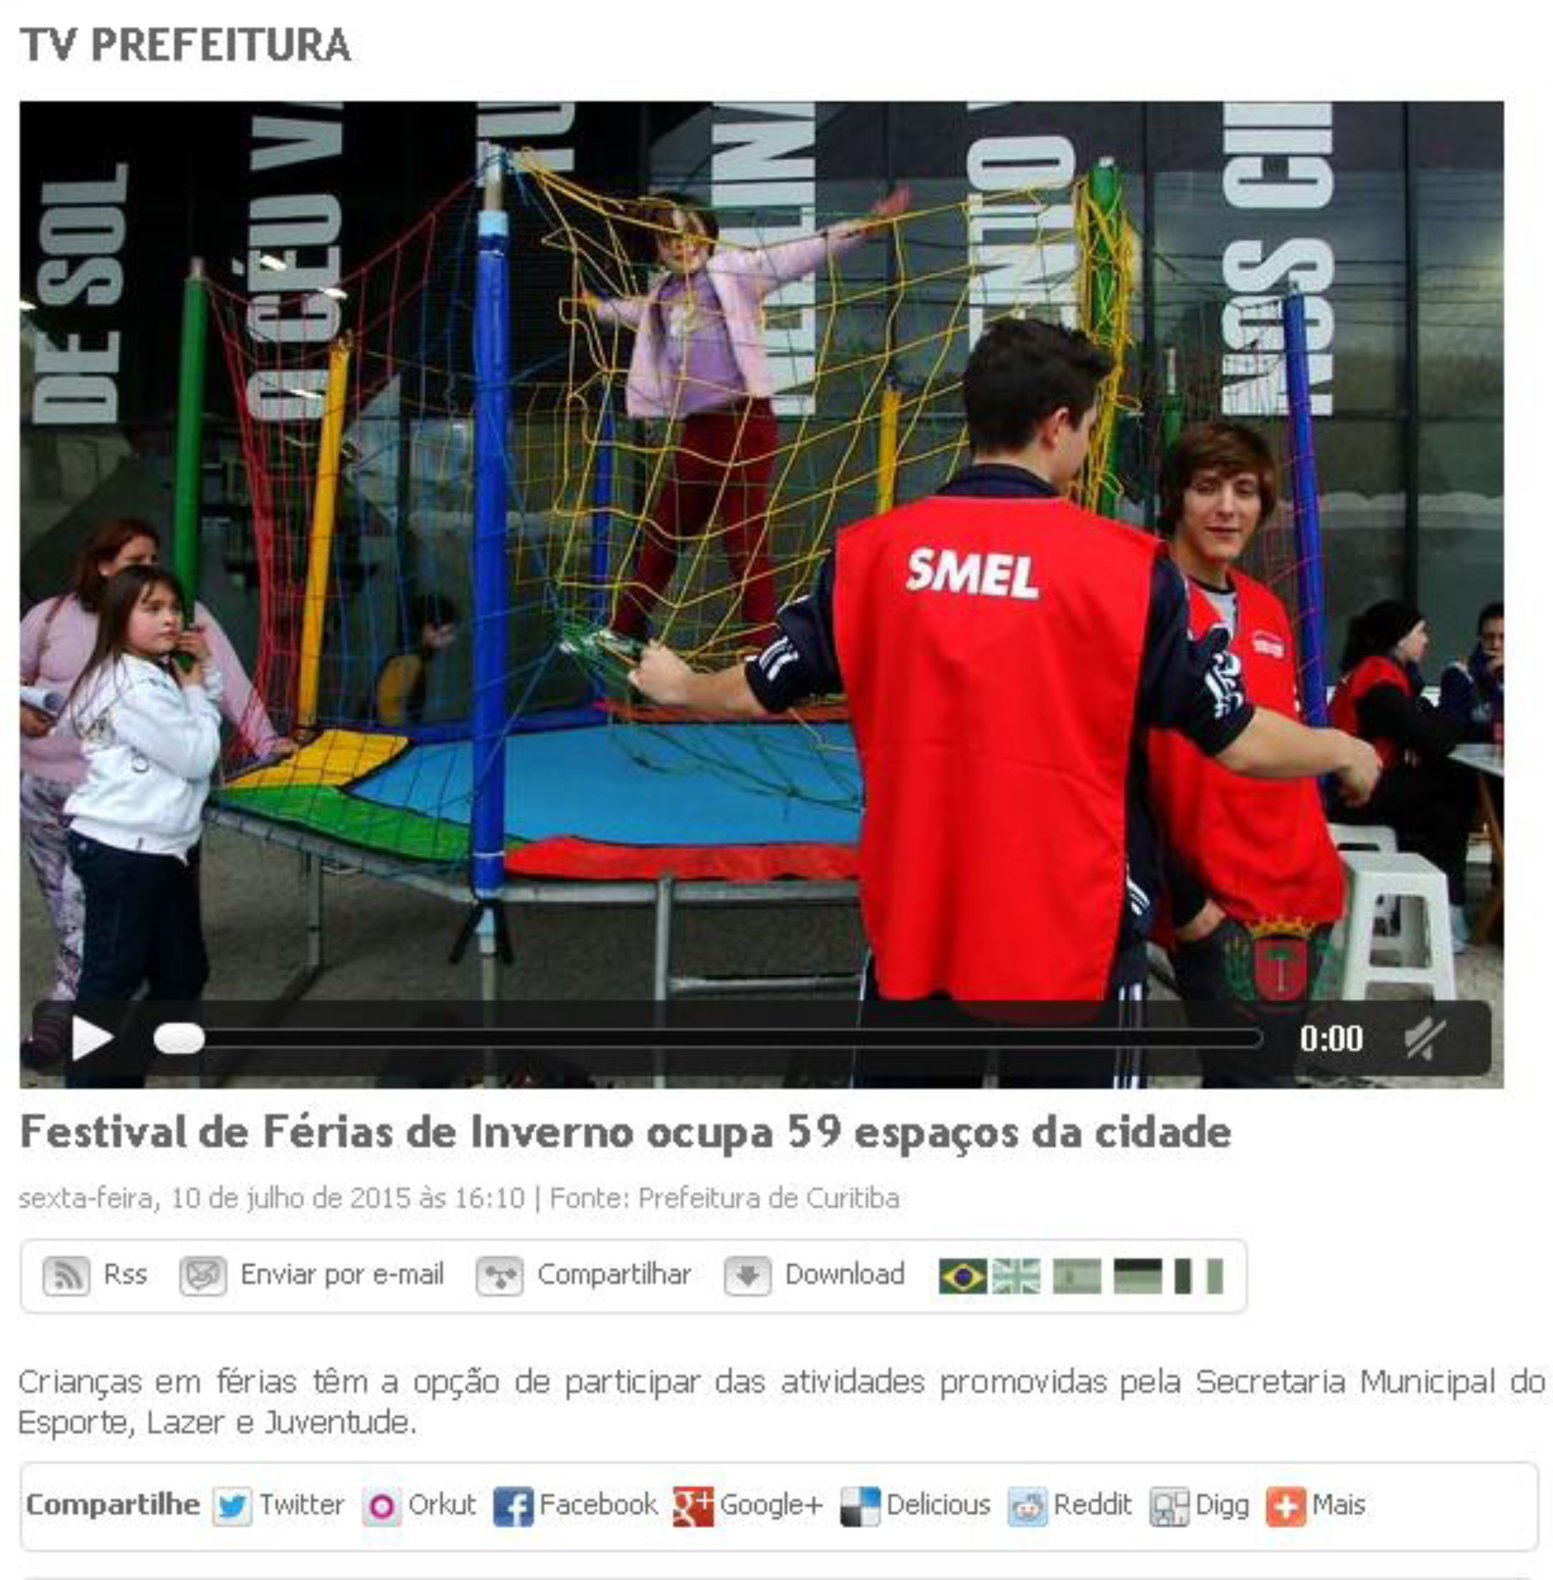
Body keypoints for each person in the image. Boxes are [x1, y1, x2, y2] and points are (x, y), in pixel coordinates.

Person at [629, 317, 1380, 1085]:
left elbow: (759, 687)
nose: (1085, 445)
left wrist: (678, 684)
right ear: (1056, 426)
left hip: (920, 930)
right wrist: (1345, 748)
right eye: (1088, 427)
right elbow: (1240, 742)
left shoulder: (872, 554)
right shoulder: (1126, 571)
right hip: (1073, 940)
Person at [582, 184, 909, 650]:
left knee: (742, 536)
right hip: (699, 430)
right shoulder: (662, 297)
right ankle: (623, 629)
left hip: (744, 422)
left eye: (690, 233)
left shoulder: (734, 272)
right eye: (668, 238)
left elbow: (800, 254)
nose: (681, 245)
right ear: (655, 248)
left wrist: (865, 226)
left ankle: (761, 645)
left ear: (708, 234)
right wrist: (596, 308)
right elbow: (628, 312)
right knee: (666, 531)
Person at [19, 517, 292, 1070]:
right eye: (137, 568)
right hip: (86, 811)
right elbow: (194, 753)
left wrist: (264, 740)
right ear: (106, 571)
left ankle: (101, 1043)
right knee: (84, 931)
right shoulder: (64, 628)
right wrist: (27, 712)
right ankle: (84, 1053)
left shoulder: (157, 648)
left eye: (157, 568)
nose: (168, 613)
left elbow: (227, 686)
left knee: (161, 962)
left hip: (145, 830)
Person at [1145, 421, 1345, 1087]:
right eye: (1207, 488)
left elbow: (1277, 746)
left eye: (1245, 490)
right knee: (1247, 1084)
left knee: (1267, 1079)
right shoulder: (1142, 597)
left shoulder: (1264, 608)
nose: (1227, 507)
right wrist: (1185, 903)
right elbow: (1114, 770)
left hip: (1300, 890)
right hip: (1216, 904)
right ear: (1175, 496)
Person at [57, 566, 224, 1088]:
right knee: (109, 984)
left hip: (161, 849)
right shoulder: (133, 684)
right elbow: (197, 755)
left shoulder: (148, 671)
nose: (169, 618)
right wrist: (194, 691)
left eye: (174, 607)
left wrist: (201, 673)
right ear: (118, 615)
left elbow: (200, 718)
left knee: (183, 976)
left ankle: (116, 1077)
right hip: (126, 851)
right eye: (151, 608)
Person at [1329, 599, 1476, 948]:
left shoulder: (1385, 674)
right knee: (1459, 780)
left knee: (1444, 814)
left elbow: (1421, 729)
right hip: (1353, 794)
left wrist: (1427, 726)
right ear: (1400, 637)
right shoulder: (1378, 678)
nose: (1427, 639)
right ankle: (1443, 915)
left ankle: (1435, 915)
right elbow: (1435, 739)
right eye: (1420, 631)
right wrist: (1454, 697)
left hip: (1369, 785)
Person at [373, 593, 460, 727]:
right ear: (428, 630)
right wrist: (403, 733)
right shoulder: (409, 661)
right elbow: (387, 705)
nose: (453, 639)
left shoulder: (413, 658)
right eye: (449, 632)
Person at [1439, 600, 1504, 745]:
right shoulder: (1458, 673)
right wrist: (1487, 680)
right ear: (1480, 638)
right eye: (1489, 637)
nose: (1496, 645)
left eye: (1503, 637)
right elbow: (1454, 729)